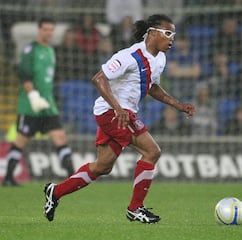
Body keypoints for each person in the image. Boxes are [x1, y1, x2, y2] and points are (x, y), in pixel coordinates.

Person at [43, 14, 196, 224]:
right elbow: (98, 78)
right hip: (111, 113)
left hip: (122, 114)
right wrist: (118, 108)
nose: (172, 39)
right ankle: (135, 209)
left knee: (103, 166)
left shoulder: (160, 58)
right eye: (167, 33)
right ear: (152, 32)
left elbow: (151, 87)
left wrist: (178, 105)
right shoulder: (129, 56)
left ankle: (55, 192)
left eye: (174, 35)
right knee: (152, 152)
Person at [2, 17, 74, 187]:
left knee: (60, 136)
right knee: (22, 139)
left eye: (51, 29)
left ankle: (72, 177)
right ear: (39, 30)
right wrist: (33, 95)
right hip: (30, 104)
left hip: (48, 104)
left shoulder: (50, 50)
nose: (48, 32)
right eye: (45, 29)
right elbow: (24, 74)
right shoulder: (30, 50)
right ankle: (8, 177)